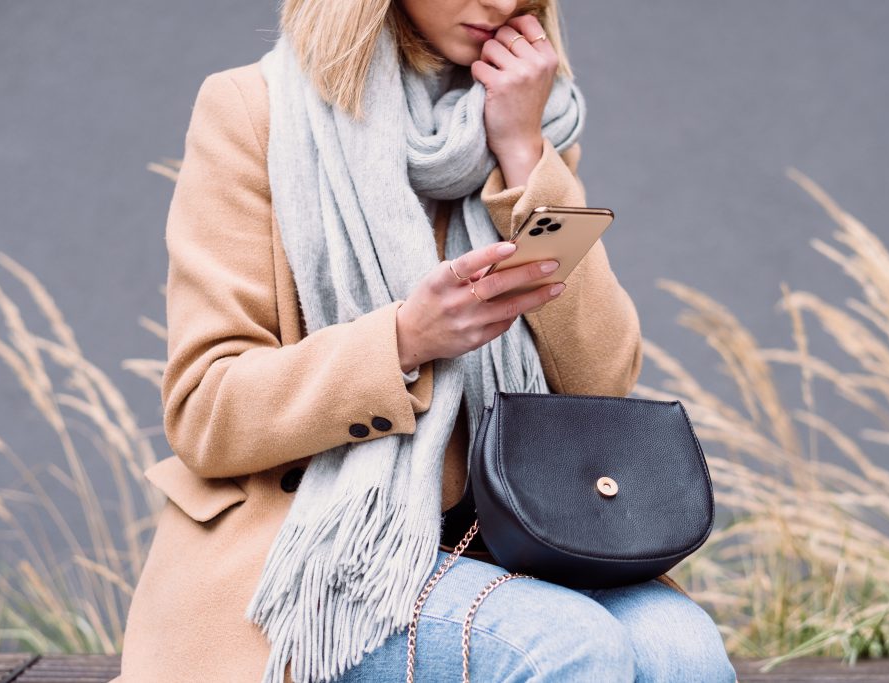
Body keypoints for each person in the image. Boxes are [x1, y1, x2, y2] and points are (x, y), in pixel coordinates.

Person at [113, 0, 738, 681]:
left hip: (507, 541)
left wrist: (526, 159)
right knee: (566, 645)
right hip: (315, 549)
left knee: (685, 650)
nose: (503, 4)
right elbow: (207, 410)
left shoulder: (530, 120)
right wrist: (402, 341)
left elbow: (602, 379)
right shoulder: (253, 111)